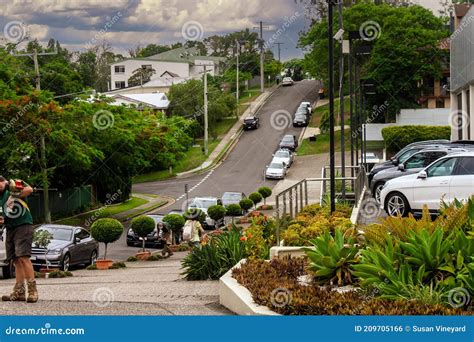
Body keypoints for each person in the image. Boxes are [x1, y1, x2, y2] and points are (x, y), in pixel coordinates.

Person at [0, 177, 36, 303]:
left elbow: (29, 189)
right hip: (10, 228)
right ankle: (19, 292)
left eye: (0, 182)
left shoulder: (13, 185)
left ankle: (32, 291)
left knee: (23, 257)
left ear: (3, 181)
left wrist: (15, 197)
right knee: (15, 260)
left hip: (23, 225)